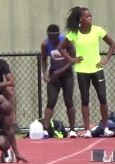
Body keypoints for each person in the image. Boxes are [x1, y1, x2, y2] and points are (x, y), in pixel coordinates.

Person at [58, 7, 115, 138]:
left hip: (97, 69)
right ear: (81, 19)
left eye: (90, 16)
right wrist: (72, 59)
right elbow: (61, 48)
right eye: (87, 16)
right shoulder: (74, 33)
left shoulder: (97, 30)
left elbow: (112, 44)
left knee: (102, 97)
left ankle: (105, 128)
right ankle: (87, 130)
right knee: (85, 100)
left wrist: (106, 58)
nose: (90, 17)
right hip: (82, 70)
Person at [41, 24, 77, 138]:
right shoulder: (45, 44)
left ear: (58, 35)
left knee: (69, 101)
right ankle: (45, 130)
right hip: (54, 74)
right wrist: (45, 73)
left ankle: (72, 129)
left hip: (66, 73)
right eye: (50, 36)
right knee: (51, 101)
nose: (52, 39)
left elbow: (72, 60)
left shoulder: (67, 42)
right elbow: (43, 60)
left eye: (54, 36)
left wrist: (60, 72)